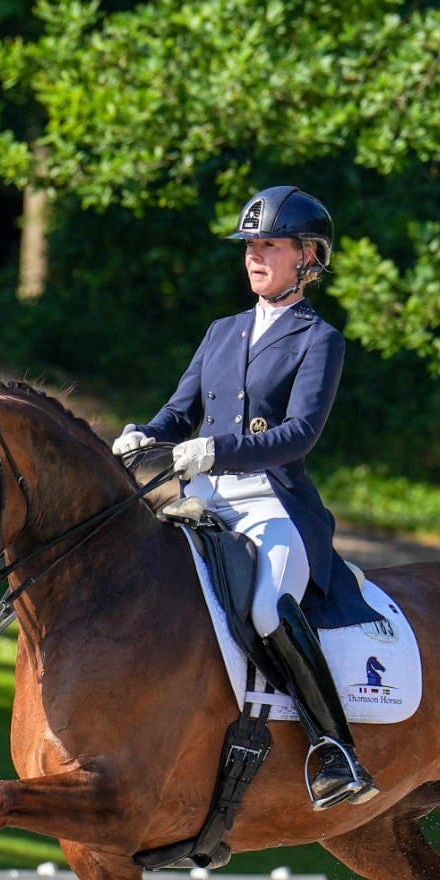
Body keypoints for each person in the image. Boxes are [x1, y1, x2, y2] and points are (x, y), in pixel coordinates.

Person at [112, 185, 384, 810]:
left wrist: (218, 450)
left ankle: (334, 749)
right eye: (251, 246)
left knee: (266, 609)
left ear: (308, 257)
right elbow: (179, 413)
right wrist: (143, 436)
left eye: (271, 245)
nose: (255, 256)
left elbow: (299, 434)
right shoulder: (222, 331)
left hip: (272, 505)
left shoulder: (320, 340)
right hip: (204, 500)